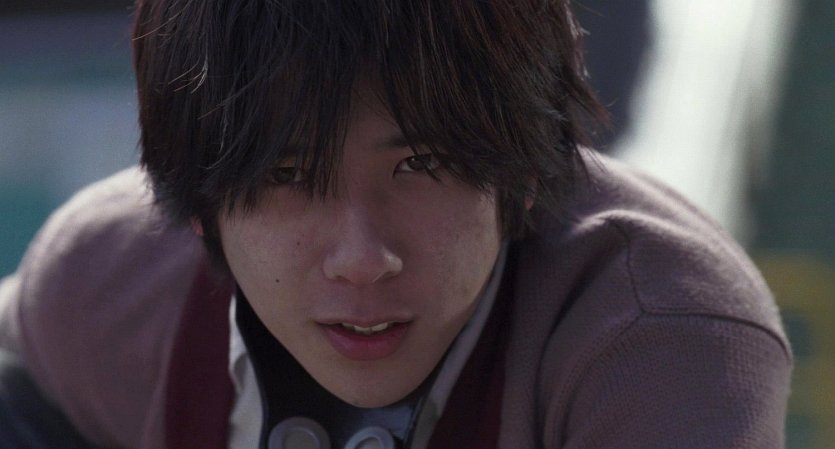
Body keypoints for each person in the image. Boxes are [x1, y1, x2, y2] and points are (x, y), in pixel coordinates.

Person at [0, 1, 791, 448]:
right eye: (287, 176)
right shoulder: (104, 288)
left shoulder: (658, 346)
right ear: (201, 214)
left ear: (522, 172)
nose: (362, 258)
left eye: (421, 164)